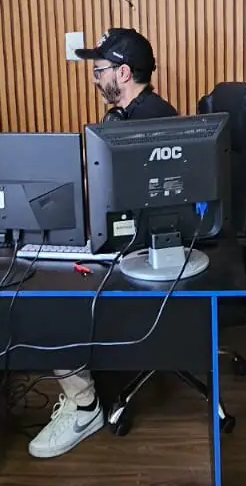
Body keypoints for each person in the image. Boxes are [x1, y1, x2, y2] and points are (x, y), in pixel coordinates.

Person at [28, 28, 177, 459]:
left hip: (141, 250)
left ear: (123, 73)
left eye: (99, 72)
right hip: (130, 238)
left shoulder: (146, 125)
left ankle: (84, 406)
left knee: (46, 293)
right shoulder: (128, 117)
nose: (95, 80)